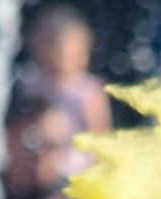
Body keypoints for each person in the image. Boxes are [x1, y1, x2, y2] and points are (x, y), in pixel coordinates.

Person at [18, 4, 112, 145]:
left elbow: (102, 142)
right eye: (50, 46)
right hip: (39, 161)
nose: (58, 58)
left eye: (68, 51)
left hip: (78, 162)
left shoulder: (89, 92)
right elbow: (16, 130)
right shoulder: (28, 84)